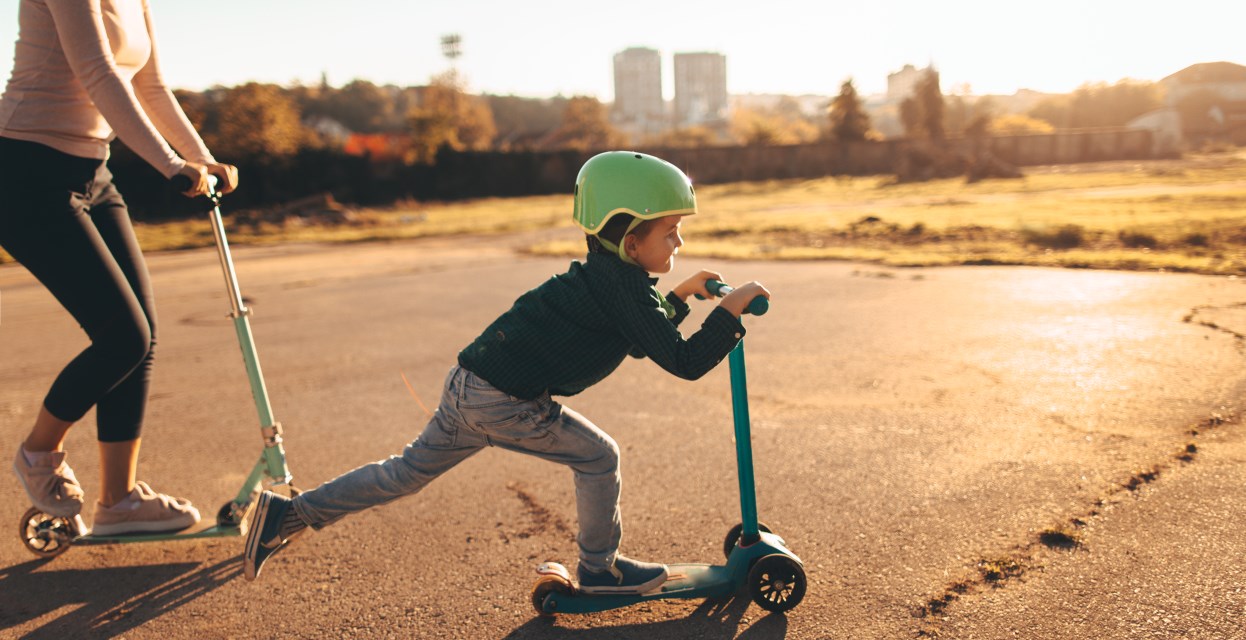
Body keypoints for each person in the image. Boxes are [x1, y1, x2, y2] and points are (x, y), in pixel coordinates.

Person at [244, 151, 770, 593]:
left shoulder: (608, 277)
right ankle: (599, 569)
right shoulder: (626, 289)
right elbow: (684, 361)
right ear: (631, 242)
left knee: (403, 473)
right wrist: (729, 312)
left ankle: (287, 515)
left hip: (470, 384)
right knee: (598, 457)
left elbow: (640, 338)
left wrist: (678, 297)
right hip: (506, 403)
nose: (678, 244)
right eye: (670, 233)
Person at [1, 0, 239, 536]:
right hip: (27, 174)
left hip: (93, 171)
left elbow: (151, 85)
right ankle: (39, 453)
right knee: (123, 336)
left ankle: (119, 501)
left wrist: (203, 159)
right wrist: (172, 166)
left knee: (142, 338)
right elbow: (100, 73)